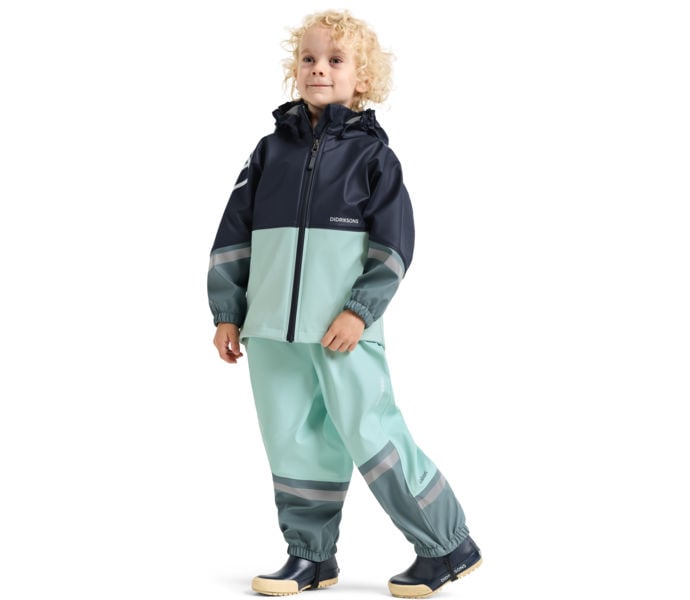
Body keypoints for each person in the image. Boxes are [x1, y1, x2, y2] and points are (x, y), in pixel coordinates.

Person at [208, 9, 481, 598]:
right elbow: (233, 234)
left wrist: (360, 310)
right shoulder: (268, 152)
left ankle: (447, 544)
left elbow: (394, 246)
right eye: (309, 59)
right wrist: (228, 312)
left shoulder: (373, 158)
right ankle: (310, 558)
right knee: (291, 439)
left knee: (370, 432)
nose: (319, 69)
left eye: (335, 60)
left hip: (343, 328)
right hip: (269, 329)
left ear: (363, 77)